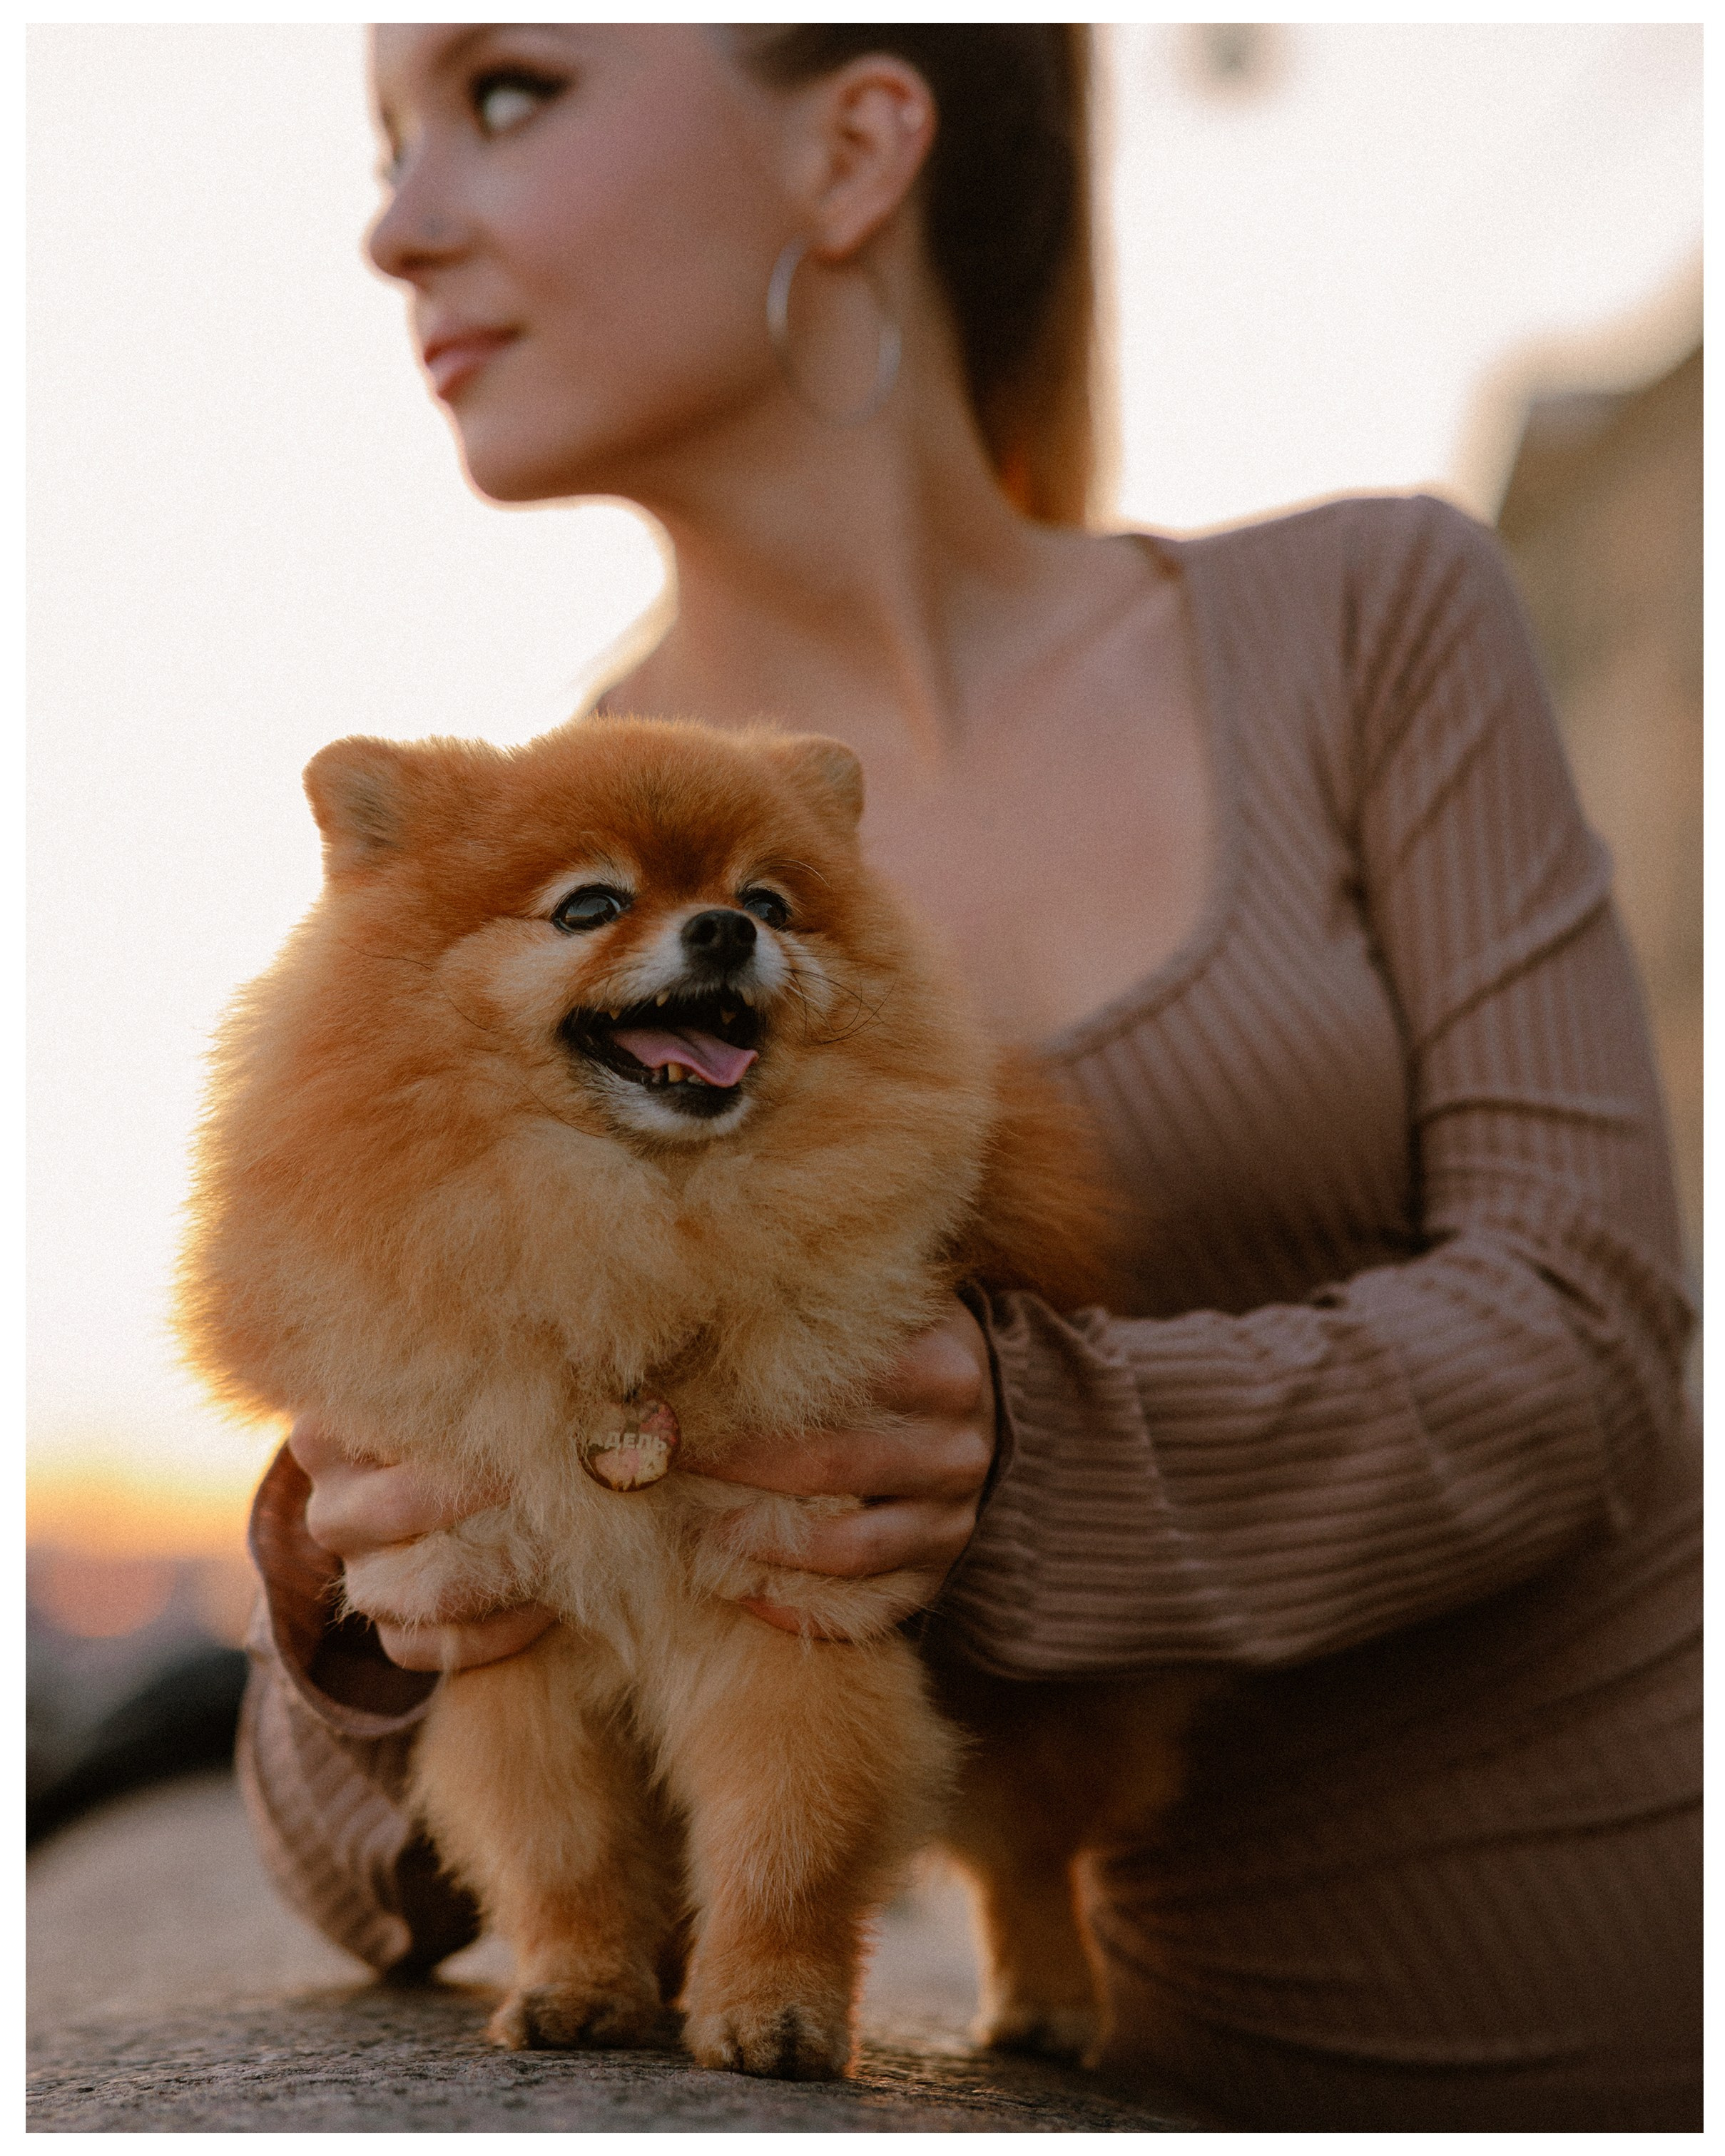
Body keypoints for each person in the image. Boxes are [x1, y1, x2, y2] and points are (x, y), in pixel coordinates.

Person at [238, 25, 1700, 2131]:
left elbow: (1588, 1332)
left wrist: (1019, 1456)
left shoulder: (1364, 617)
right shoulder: (505, 857)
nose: (397, 227)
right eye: (381, 144)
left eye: (507, 92)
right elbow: (351, 1879)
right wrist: (345, 1567)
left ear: (853, 148)